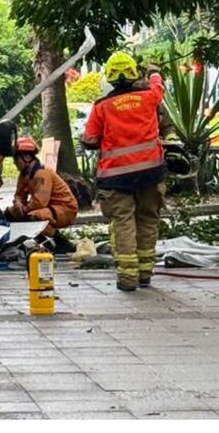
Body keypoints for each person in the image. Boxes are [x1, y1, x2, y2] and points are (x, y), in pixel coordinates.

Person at [81, 51, 166, 291]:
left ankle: (128, 277)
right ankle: (145, 274)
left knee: (123, 222)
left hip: (116, 177)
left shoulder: (102, 106)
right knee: (148, 219)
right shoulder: (149, 96)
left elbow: (90, 139)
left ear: (109, 77)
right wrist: (154, 72)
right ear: (133, 74)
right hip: (151, 171)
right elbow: (158, 88)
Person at [5, 136, 79, 254]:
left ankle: (63, 243)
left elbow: (40, 202)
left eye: (16, 159)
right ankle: (44, 243)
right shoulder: (24, 175)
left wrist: (23, 210)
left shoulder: (42, 174)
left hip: (65, 209)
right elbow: (19, 195)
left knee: (32, 217)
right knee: (10, 213)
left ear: (27, 157)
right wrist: (17, 203)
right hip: (47, 209)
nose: (14, 163)